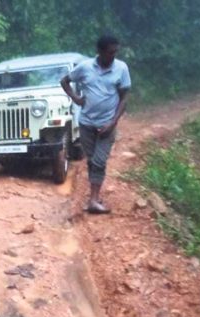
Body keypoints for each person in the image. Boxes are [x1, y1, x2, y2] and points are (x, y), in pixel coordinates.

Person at [61, 35, 131, 213]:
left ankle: (93, 201)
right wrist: (76, 99)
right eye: (110, 52)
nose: (113, 56)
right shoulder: (85, 67)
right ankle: (95, 196)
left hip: (108, 123)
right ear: (100, 51)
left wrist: (113, 122)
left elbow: (124, 98)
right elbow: (65, 81)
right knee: (92, 161)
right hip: (86, 123)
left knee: (99, 161)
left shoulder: (121, 68)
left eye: (116, 52)